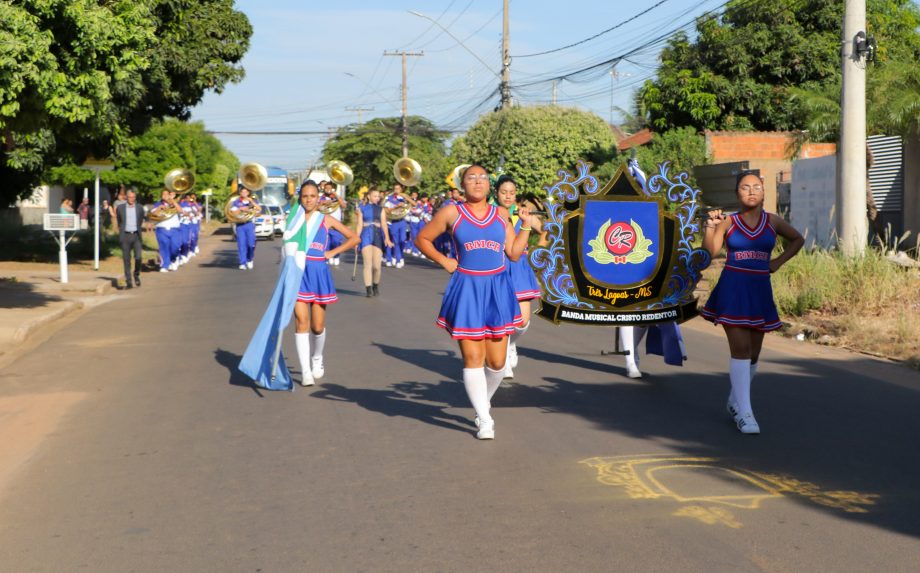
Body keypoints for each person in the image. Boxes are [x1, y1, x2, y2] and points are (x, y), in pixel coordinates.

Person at [415, 164, 536, 440]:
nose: (478, 181)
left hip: (497, 289)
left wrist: (526, 227)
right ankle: (484, 418)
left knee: (497, 364)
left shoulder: (500, 215)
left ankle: (483, 401)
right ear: (463, 184)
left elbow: (514, 253)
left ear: (488, 185)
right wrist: (444, 260)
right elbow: (422, 238)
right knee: (473, 358)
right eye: (472, 178)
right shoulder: (451, 213)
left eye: (482, 177)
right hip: (467, 288)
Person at [701, 170, 804, 434]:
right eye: (745, 187)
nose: (751, 191)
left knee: (754, 354)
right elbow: (710, 253)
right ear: (737, 193)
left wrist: (777, 263)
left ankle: (735, 401)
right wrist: (710, 227)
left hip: (759, 290)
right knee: (741, 350)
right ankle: (746, 414)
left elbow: (797, 239)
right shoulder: (729, 222)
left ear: (764, 192)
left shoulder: (773, 222)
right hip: (733, 289)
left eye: (756, 187)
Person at [291, 181, 360, 386]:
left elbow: (353, 238)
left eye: (312, 196)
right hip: (298, 274)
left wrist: (332, 252)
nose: (309, 199)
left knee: (317, 326)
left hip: (319, 272)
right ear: (300, 198)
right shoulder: (293, 220)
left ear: (318, 198)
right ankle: (305, 372)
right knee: (301, 321)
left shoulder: (326, 219)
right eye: (305, 196)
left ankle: (317, 357)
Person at [494, 175, 544, 379]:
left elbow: (546, 232)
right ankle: (503, 356)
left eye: (511, 192)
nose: (507, 196)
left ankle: (511, 344)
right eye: (503, 192)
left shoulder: (525, 214)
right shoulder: (491, 214)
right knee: (503, 317)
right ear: (496, 193)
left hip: (520, 267)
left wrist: (535, 251)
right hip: (498, 268)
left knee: (523, 321)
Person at [354, 186, 392, 297]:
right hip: (365, 235)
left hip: (377, 235)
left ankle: (375, 285)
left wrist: (387, 238)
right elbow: (359, 224)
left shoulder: (381, 209)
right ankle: (368, 289)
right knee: (367, 264)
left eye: (378, 196)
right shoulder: (362, 208)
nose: (377, 198)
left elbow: (384, 224)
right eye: (375, 196)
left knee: (376, 266)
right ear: (369, 196)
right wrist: (356, 240)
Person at [115, 190, 147, 288]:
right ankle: (128, 281)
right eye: (130, 197)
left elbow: (140, 220)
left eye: (133, 197)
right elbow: (119, 221)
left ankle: (136, 274)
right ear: (126, 198)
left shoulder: (140, 208)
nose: (132, 199)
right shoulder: (120, 208)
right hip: (125, 236)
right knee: (126, 259)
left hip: (136, 235)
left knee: (138, 257)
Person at [230, 186, 261, 270]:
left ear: (248, 193)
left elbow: (259, 211)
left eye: (245, 192)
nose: (244, 194)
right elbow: (233, 213)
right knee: (241, 244)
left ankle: (250, 259)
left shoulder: (252, 201)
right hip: (240, 225)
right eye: (242, 192)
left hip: (250, 224)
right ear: (240, 193)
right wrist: (240, 209)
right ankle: (242, 262)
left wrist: (250, 205)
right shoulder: (236, 202)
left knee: (251, 244)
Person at [150, 190, 180, 272]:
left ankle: (173, 260)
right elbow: (153, 215)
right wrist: (159, 208)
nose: (165, 195)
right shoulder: (158, 204)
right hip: (161, 228)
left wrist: (173, 200)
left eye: (167, 194)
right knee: (164, 247)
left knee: (175, 247)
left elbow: (179, 210)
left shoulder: (174, 203)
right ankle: (164, 265)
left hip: (174, 228)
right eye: (163, 194)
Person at [320, 181, 347, 266]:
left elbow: (344, 206)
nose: (328, 190)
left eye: (329, 188)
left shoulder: (336, 198)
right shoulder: (322, 198)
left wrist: (335, 194)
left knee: (336, 242)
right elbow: (318, 205)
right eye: (326, 188)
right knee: (326, 243)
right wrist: (324, 202)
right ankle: (327, 257)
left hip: (336, 226)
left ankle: (336, 256)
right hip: (326, 225)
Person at [384, 182, 409, 268]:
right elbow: (387, 211)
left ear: (401, 189)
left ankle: (399, 255)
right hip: (393, 221)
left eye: (398, 189)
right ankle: (396, 259)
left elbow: (414, 205)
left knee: (403, 240)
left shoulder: (404, 198)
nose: (397, 190)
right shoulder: (390, 199)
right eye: (395, 189)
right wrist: (396, 206)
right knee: (396, 241)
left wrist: (407, 199)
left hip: (402, 221)